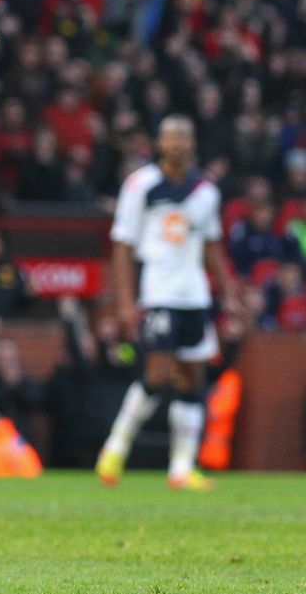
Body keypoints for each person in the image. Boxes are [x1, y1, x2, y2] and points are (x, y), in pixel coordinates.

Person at [97, 116, 238, 491]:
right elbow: (123, 245)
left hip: (194, 294)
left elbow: (211, 246)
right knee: (158, 374)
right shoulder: (140, 185)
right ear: (159, 143)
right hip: (158, 290)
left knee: (193, 376)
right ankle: (115, 447)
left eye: (183, 137)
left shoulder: (206, 191)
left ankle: (181, 468)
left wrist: (228, 292)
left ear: (192, 143)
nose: (177, 144)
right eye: (170, 138)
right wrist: (126, 302)